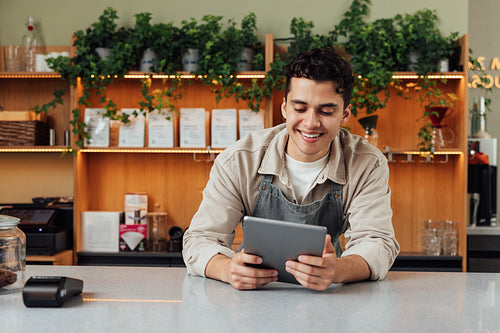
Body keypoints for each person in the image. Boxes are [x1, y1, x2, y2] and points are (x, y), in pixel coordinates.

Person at [182, 46, 399, 291]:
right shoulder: (239, 160)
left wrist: (338, 270)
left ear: (345, 114)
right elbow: (200, 239)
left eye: (326, 111)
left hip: (329, 297)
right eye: (300, 108)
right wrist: (227, 270)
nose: (311, 122)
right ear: (284, 108)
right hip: (251, 298)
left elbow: (378, 243)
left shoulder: (367, 164)